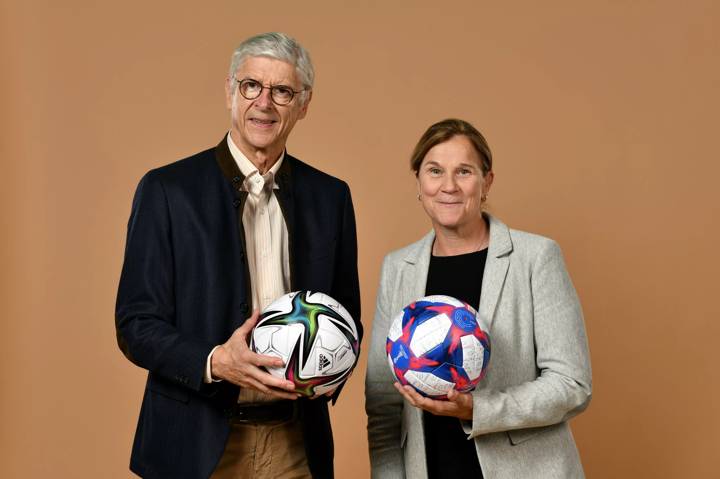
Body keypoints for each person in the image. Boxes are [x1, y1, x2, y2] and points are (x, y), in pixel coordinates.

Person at [116, 32, 361, 479]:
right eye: (251, 86)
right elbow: (136, 323)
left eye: (282, 91)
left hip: (296, 444)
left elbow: (346, 315)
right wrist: (214, 361)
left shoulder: (331, 198)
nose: (264, 103)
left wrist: (325, 368)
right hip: (194, 443)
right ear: (230, 90)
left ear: (303, 104)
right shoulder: (168, 191)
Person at [365, 119, 591, 478]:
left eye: (464, 171)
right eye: (435, 171)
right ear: (419, 183)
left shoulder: (535, 257)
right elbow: (382, 404)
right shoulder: (398, 268)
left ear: (486, 183)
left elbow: (571, 384)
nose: (449, 186)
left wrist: (477, 409)